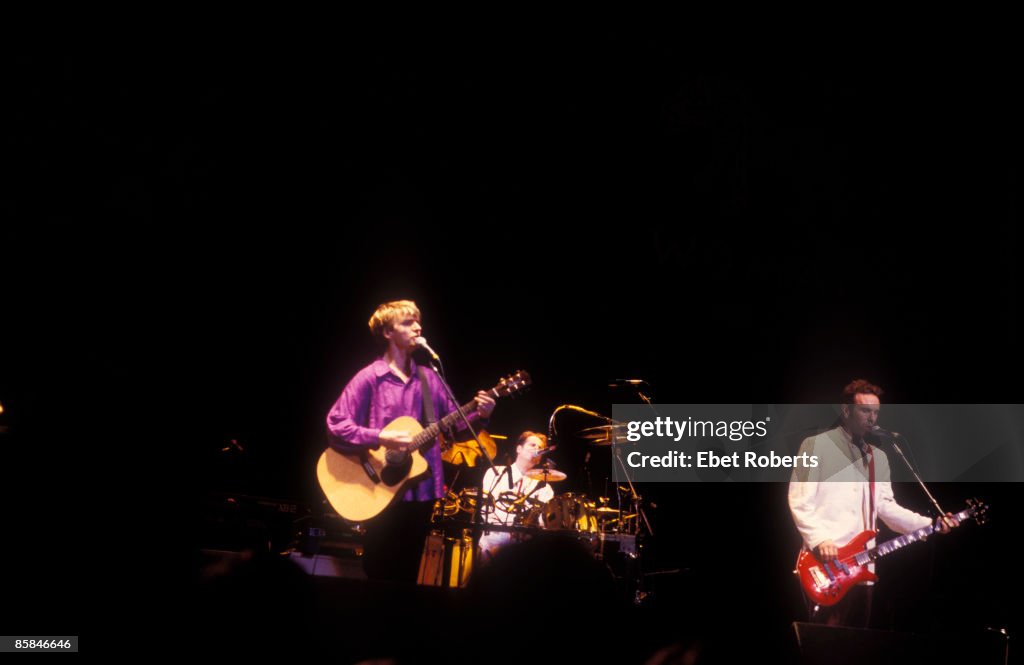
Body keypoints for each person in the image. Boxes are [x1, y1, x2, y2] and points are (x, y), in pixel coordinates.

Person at [326, 300, 496, 581]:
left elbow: (456, 429)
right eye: (407, 322)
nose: (418, 327)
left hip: (422, 489)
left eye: (418, 321)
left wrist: (481, 415)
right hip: (379, 488)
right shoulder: (370, 377)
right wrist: (379, 436)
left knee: (407, 573)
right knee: (378, 569)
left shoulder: (429, 377)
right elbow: (336, 424)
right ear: (387, 333)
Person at [788, 379, 958, 627]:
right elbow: (799, 497)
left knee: (857, 645)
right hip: (826, 565)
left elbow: (887, 507)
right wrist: (819, 539)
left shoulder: (878, 458)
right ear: (846, 411)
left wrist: (930, 524)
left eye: (876, 412)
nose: (872, 417)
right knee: (826, 645)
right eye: (865, 410)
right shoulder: (815, 446)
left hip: (862, 569)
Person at [477, 431, 556, 562]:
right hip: (491, 545)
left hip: (523, 553)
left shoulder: (545, 488)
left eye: (540, 448)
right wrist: (511, 530)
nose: (537, 449)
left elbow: (544, 523)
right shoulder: (495, 473)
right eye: (532, 445)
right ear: (519, 449)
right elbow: (486, 508)